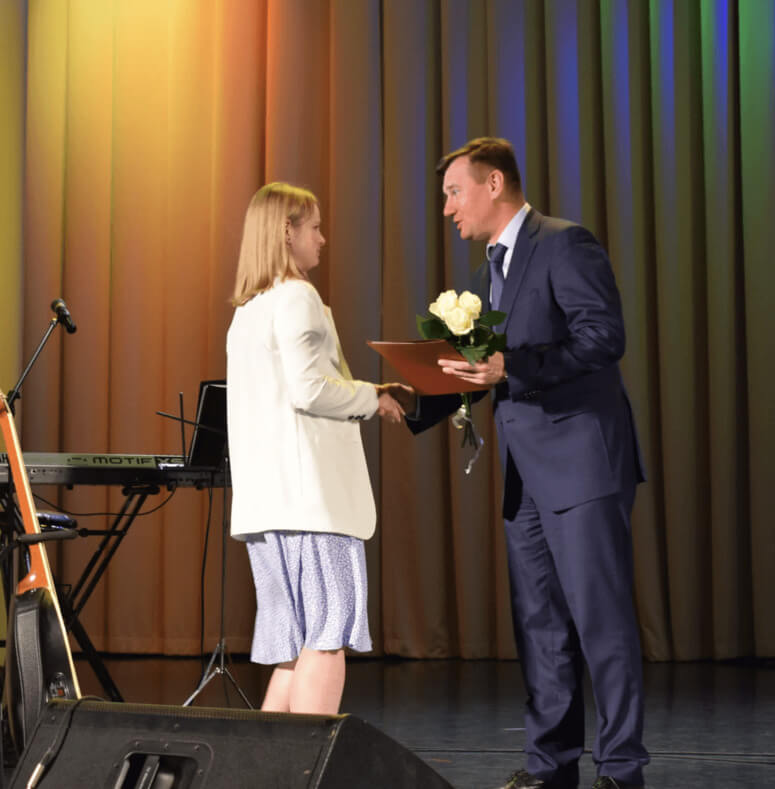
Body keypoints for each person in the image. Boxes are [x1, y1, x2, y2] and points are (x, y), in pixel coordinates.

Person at [408, 138, 649, 789]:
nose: (447, 209)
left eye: (454, 192)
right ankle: (551, 766)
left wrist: (512, 367)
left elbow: (603, 336)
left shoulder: (564, 244)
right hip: (526, 478)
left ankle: (621, 769)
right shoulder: (488, 271)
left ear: (493, 183)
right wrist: (407, 399)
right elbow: (477, 370)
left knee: (601, 622)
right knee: (540, 625)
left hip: (582, 466)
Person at [226, 182, 409, 714]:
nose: (323, 239)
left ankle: (269, 762)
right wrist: (373, 397)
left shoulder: (247, 312)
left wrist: (366, 393)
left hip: (267, 507)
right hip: (312, 506)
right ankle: (309, 759)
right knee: (327, 635)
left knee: (294, 648)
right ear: (287, 231)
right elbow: (309, 390)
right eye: (315, 227)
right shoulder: (296, 296)